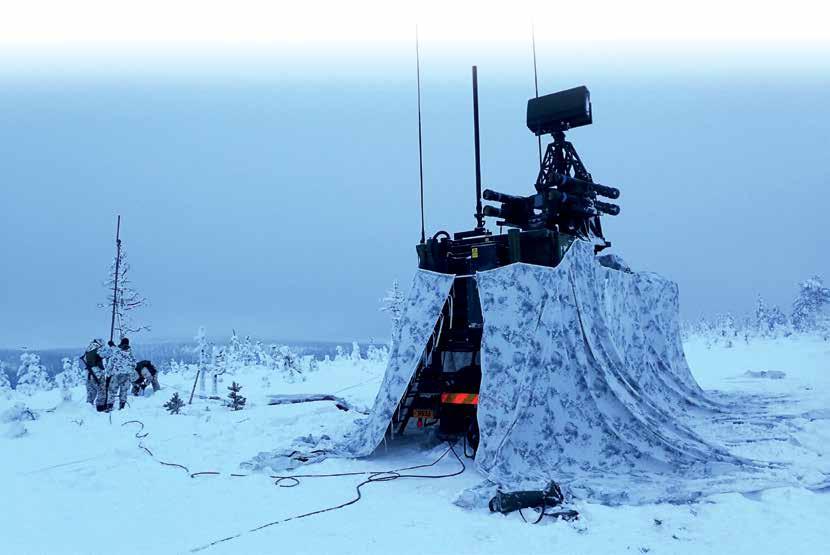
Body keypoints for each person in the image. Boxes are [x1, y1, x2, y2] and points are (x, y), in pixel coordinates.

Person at [104, 337, 136, 411]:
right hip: (127, 376)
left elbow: (110, 364)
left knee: (112, 391)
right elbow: (134, 365)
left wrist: (108, 375)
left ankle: (109, 407)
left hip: (116, 375)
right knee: (124, 391)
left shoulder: (116, 352)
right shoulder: (130, 354)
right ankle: (122, 408)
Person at [81, 339, 106, 406]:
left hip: (88, 373)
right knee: (102, 390)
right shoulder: (98, 348)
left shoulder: (88, 349)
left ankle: (88, 407)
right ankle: (100, 407)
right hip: (97, 373)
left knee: (91, 392)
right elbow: (106, 354)